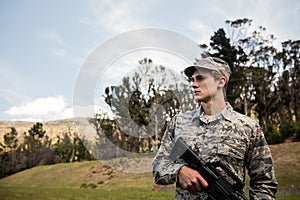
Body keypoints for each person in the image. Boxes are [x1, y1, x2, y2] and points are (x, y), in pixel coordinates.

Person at [152, 57, 278, 199]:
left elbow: (264, 182)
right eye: (192, 80)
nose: (193, 84)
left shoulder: (248, 127)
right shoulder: (179, 123)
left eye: (200, 79)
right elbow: (159, 166)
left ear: (221, 81)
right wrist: (180, 171)